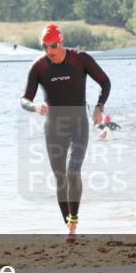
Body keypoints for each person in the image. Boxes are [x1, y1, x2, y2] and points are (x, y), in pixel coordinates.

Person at [21, 23, 111, 242]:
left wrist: (99, 107)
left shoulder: (80, 59)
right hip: (53, 127)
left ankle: (73, 221)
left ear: (60, 42)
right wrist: (35, 107)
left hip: (78, 123)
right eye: (44, 46)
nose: (49, 51)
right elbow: (24, 100)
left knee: (73, 171)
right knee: (60, 177)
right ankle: (68, 226)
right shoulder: (39, 67)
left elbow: (105, 82)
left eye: (52, 45)